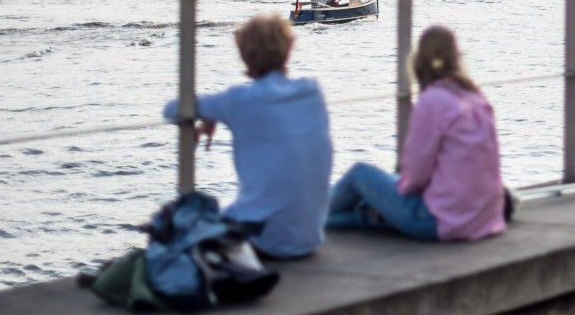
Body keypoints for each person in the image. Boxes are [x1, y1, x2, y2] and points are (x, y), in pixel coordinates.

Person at [163, 14, 333, 258]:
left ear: (242, 54)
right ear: (289, 48)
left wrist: (211, 113)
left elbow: (172, 109)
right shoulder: (312, 91)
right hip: (308, 238)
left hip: (264, 239)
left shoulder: (238, 99)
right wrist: (215, 114)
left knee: (178, 224)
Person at [325, 25, 505, 241]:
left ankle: (311, 215)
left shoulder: (434, 100)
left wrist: (392, 195)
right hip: (482, 219)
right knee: (374, 200)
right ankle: (350, 217)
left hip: (439, 220)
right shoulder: (476, 99)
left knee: (360, 174)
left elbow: (415, 177)